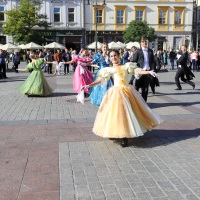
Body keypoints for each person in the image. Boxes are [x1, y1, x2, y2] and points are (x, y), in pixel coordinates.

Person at [81, 50, 162, 147]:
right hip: (116, 93)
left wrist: (148, 71)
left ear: (119, 56)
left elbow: (137, 71)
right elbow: (100, 79)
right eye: (111, 56)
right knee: (115, 114)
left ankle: (125, 137)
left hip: (127, 92)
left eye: (115, 55)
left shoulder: (126, 66)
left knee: (127, 113)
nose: (113, 58)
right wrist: (89, 85)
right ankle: (116, 132)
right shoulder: (109, 69)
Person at [131, 38, 155, 102]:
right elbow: (134, 62)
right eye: (143, 41)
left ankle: (144, 103)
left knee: (145, 89)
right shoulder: (137, 52)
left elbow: (152, 61)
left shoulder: (150, 51)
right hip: (140, 72)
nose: (144, 43)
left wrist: (153, 70)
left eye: (145, 42)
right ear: (140, 43)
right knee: (136, 87)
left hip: (147, 72)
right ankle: (135, 102)